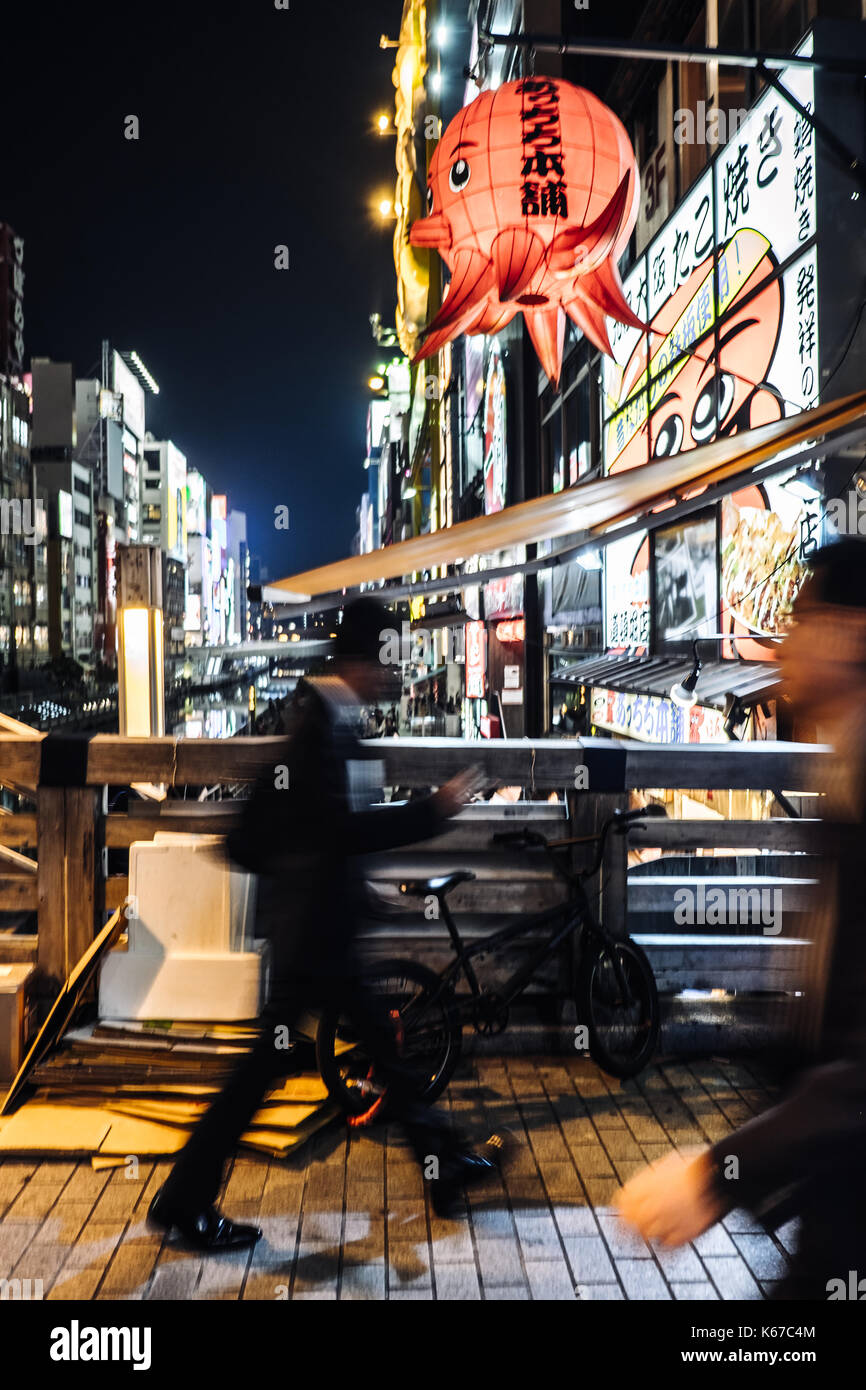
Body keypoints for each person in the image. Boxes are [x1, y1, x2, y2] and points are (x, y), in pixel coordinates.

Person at [148, 595, 505, 1252]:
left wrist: (354, 890)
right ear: (362, 661)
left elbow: (314, 835)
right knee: (278, 1067)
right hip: (313, 937)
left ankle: (443, 1163)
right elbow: (336, 830)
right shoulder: (319, 729)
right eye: (390, 659)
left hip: (320, 926)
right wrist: (433, 811)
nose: (396, 674)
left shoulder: (330, 720)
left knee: (376, 1056)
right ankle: (183, 1199)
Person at [615, 538, 866, 1298]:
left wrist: (717, 1175)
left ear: (849, 634)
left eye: (800, 619)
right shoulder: (845, 769)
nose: (782, 645)